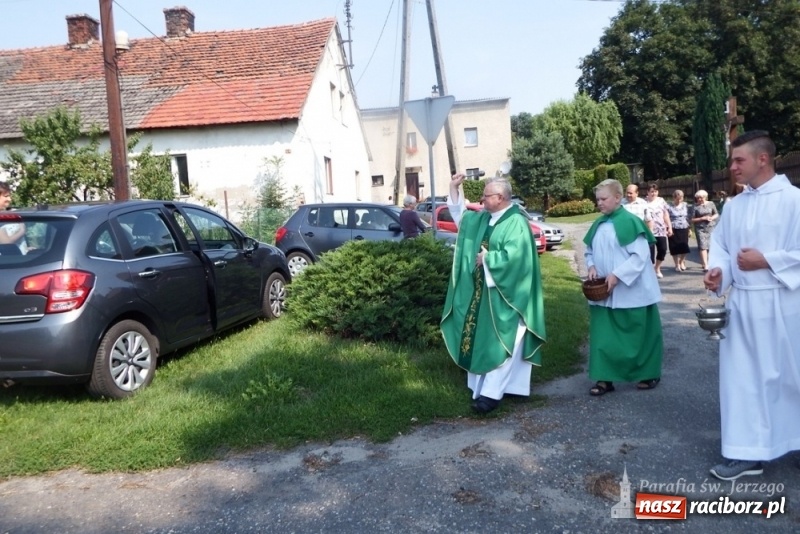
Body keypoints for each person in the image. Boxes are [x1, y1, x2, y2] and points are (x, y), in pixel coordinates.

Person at [704, 130, 800, 481]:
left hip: (785, 303)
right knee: (743, 381)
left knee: (791, 377)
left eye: (739, 160)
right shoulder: (735, 205)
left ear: (763, 159)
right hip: (744, 305)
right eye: (732, 161)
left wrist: (768, 260)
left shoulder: (795, 201)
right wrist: (719, 272)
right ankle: (748, 453)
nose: (732, 167)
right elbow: (724, 249)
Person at [440, 174, 546, 414]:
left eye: (486, 196)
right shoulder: (484, 218)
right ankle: (489, 387)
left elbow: (516, 257)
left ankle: (491, 395)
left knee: (503, 341)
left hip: (507, 295)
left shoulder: (516, 222)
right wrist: (454, 189)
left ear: (500, 198)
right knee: (482, 340)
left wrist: (488, 259)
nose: (482, 199)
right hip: (482, 293)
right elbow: (462, 219)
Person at [583, 179, 662, 396]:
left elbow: (640, 256)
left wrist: (618, 275)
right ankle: (604, 378)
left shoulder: (630, 222)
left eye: (603, 199)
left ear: (618, 198)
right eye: (597, 199)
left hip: (632, 292)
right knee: (604, 336)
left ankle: (647, 372)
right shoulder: (598, 224)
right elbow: (589, 251)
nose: (599, 203)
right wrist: (590, 266)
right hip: (604, 293)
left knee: (638, 334)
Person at [644, 183, 673, 278]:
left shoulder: (661, 201)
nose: (653, 193)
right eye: (651, 191)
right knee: (649, 252)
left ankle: (657, 268)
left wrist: (669, 227)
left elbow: (666, 215)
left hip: (661, 230)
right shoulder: (643, 202)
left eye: (655, 191)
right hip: (648, 231)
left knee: (663, 250)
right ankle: (650, 269)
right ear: (647, 192)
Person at [690, 189, 718, 272]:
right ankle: (705, 265)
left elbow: (716, 214)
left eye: (701, 198)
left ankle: (711, 262)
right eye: (698, 198)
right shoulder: (695, 206)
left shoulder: (711, 204)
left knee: (711, 246)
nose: (699, 199)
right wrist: (702, 218)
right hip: (700, 228)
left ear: (705, 197)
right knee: (703, 246)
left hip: (711, 227)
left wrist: (711, 218)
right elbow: (692, 219)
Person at [666, 189, 691, 271]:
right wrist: (668, 228)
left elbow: (688, 217)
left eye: (681, 198)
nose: (679, 200)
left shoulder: (686, 205)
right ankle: (677, 264)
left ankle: (681, 262)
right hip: (673, 227)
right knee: (674, 247)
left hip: (684, 227)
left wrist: (690, 229)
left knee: (684, 247)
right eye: (678, 198)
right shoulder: (669, 206)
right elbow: (666, 218)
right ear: (674, 197)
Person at [0, 181, 27, 253]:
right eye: (6, 196)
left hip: (24, 258)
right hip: (10, 260)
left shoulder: (14, 212)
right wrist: (22, 231)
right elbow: (6, 243)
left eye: (9, 196)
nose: (9, 199)